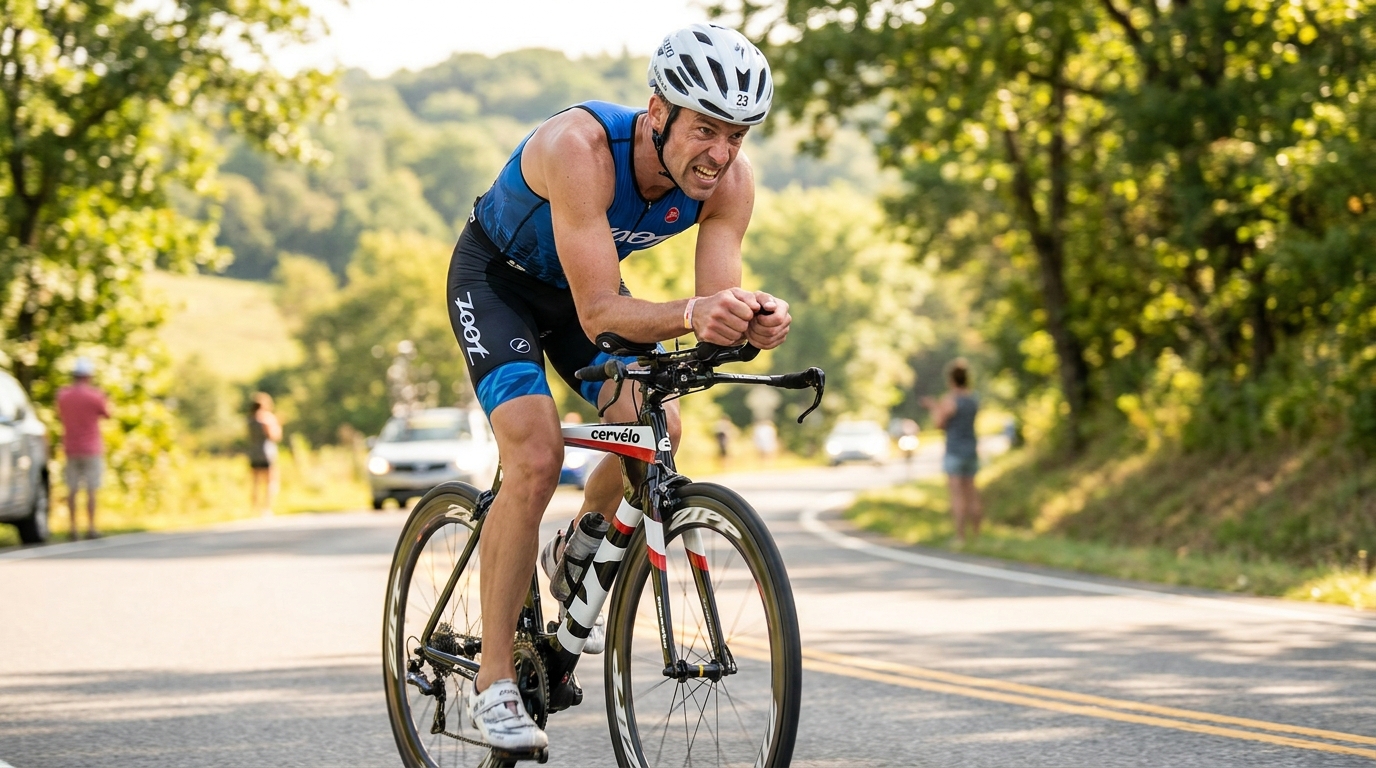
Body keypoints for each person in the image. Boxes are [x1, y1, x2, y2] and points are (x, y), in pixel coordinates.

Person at [445, 23, 789, 753]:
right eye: (706, 129)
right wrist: (695, 314)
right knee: (535, 458)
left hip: (579, 297)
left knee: (658, 432)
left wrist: (748, 319)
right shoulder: (580, 149)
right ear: (658, 111)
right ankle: (494, 682)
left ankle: (579, 543)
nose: (721, 153)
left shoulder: (731, 182)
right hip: (498, 286)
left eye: (738, 134)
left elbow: (712, 310)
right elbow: (602, 311)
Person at [922, 359, 982, 545]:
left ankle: (960, 537)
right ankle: (978, 537)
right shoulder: (973, 399)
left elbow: (940, 424)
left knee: (957, 496)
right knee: (972, 494)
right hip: (971, 450)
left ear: (951, 379)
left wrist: (933, 408)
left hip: (954, 452)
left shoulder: (950, 400)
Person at [55, 357, 111, 540]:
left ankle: (73, 529)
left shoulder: (63, 395)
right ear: (88, 376)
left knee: (72, 489)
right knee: (91, 489)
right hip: (92, 448)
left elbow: (59, 414)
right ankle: (91, 527)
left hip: (71, 447)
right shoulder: (95, 396)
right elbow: (108, 414)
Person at [246, 392, 282, 516]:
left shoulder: (250, 419)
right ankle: (266, 509)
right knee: (270, 482)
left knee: (255, 482)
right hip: (267, 453)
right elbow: (274, 436)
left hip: (253, 452)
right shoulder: (267, 418)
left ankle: (254, 508)